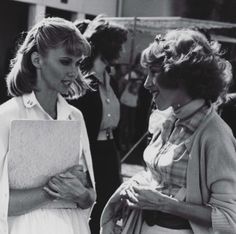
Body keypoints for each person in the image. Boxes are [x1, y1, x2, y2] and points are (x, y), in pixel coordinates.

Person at [100, 29, 236, 234]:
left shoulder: (215, 134)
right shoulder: (166, 119)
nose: (146, 83)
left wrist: (166, 205)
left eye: (154, 72)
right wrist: (118, 204)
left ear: (182, 75)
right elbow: (157, 177)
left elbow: (228, 219)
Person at [0, 17, 96, 234]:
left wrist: (81, 194)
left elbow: (90, 196)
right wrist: (52, 190)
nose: (73, 71)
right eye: (65, 61)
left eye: (77, 63)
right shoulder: (7, 117)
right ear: (37, 60)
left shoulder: (75, 117)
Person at [70, 16, 128, 234]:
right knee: (92, 211)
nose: (123, 51)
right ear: (107, 46)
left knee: (109, 208)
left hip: (109, 152)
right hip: (90, 152)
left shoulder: (110, 79)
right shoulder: (82, 82)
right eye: (119, 45)